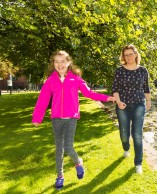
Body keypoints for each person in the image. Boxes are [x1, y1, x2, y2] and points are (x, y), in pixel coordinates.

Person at [32, 50, 115, 190]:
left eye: (62, 61)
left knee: (68, 147)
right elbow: (43, 100)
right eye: (56, 61)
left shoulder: (75, 78)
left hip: (71, 118)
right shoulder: (50, 80)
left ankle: (77, 162)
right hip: (56, 118)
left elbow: (89, 93)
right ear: (53, 64)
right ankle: (60, 176)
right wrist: (37, 117)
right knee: (59, 149)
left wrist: (106, 98)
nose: (59, 64)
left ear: (68, 62)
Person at [112, 44, 151, 174]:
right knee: (124, 135)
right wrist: (118, 102)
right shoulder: (119, 70)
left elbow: (146, 88)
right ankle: (126, 147)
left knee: (137, 134)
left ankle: (138, 163)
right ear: (123, 56)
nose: (128, 57)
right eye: (126, 55)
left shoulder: (143, 70)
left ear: (135, 54)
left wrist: (149, 101)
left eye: (130, 54)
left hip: (139, 104)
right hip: (122, 105)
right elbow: (115, 90)